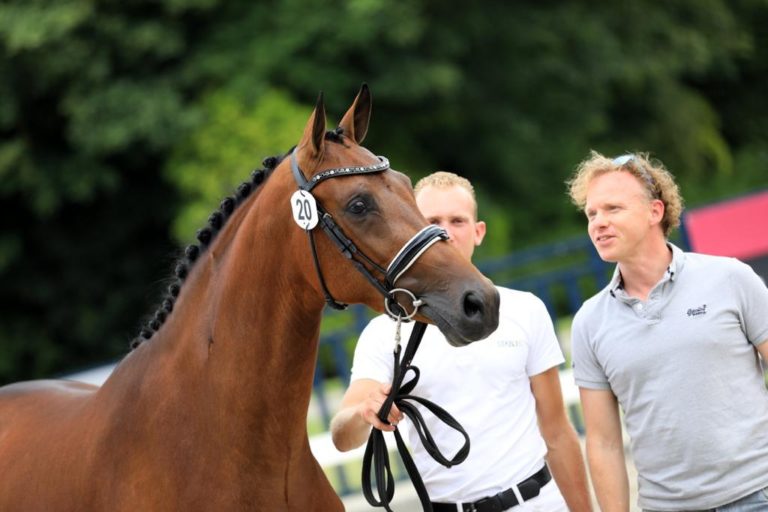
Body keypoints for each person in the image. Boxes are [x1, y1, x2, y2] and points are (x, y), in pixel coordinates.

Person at [331, 171, 592, 511]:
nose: (445, 232)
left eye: (458, 220)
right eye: (432, 221)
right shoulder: (384, 333)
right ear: (414, 229)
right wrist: (363, 413)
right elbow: (341, 436)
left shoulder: (524, 310)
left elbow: (557, 432)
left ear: (478, 231)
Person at [567, 151, 768, 511]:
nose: (598, 222)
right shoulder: (589, 322)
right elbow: (603, 443)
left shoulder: (730, 278)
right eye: (591, 213)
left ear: (654, 212)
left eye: (613, 209)